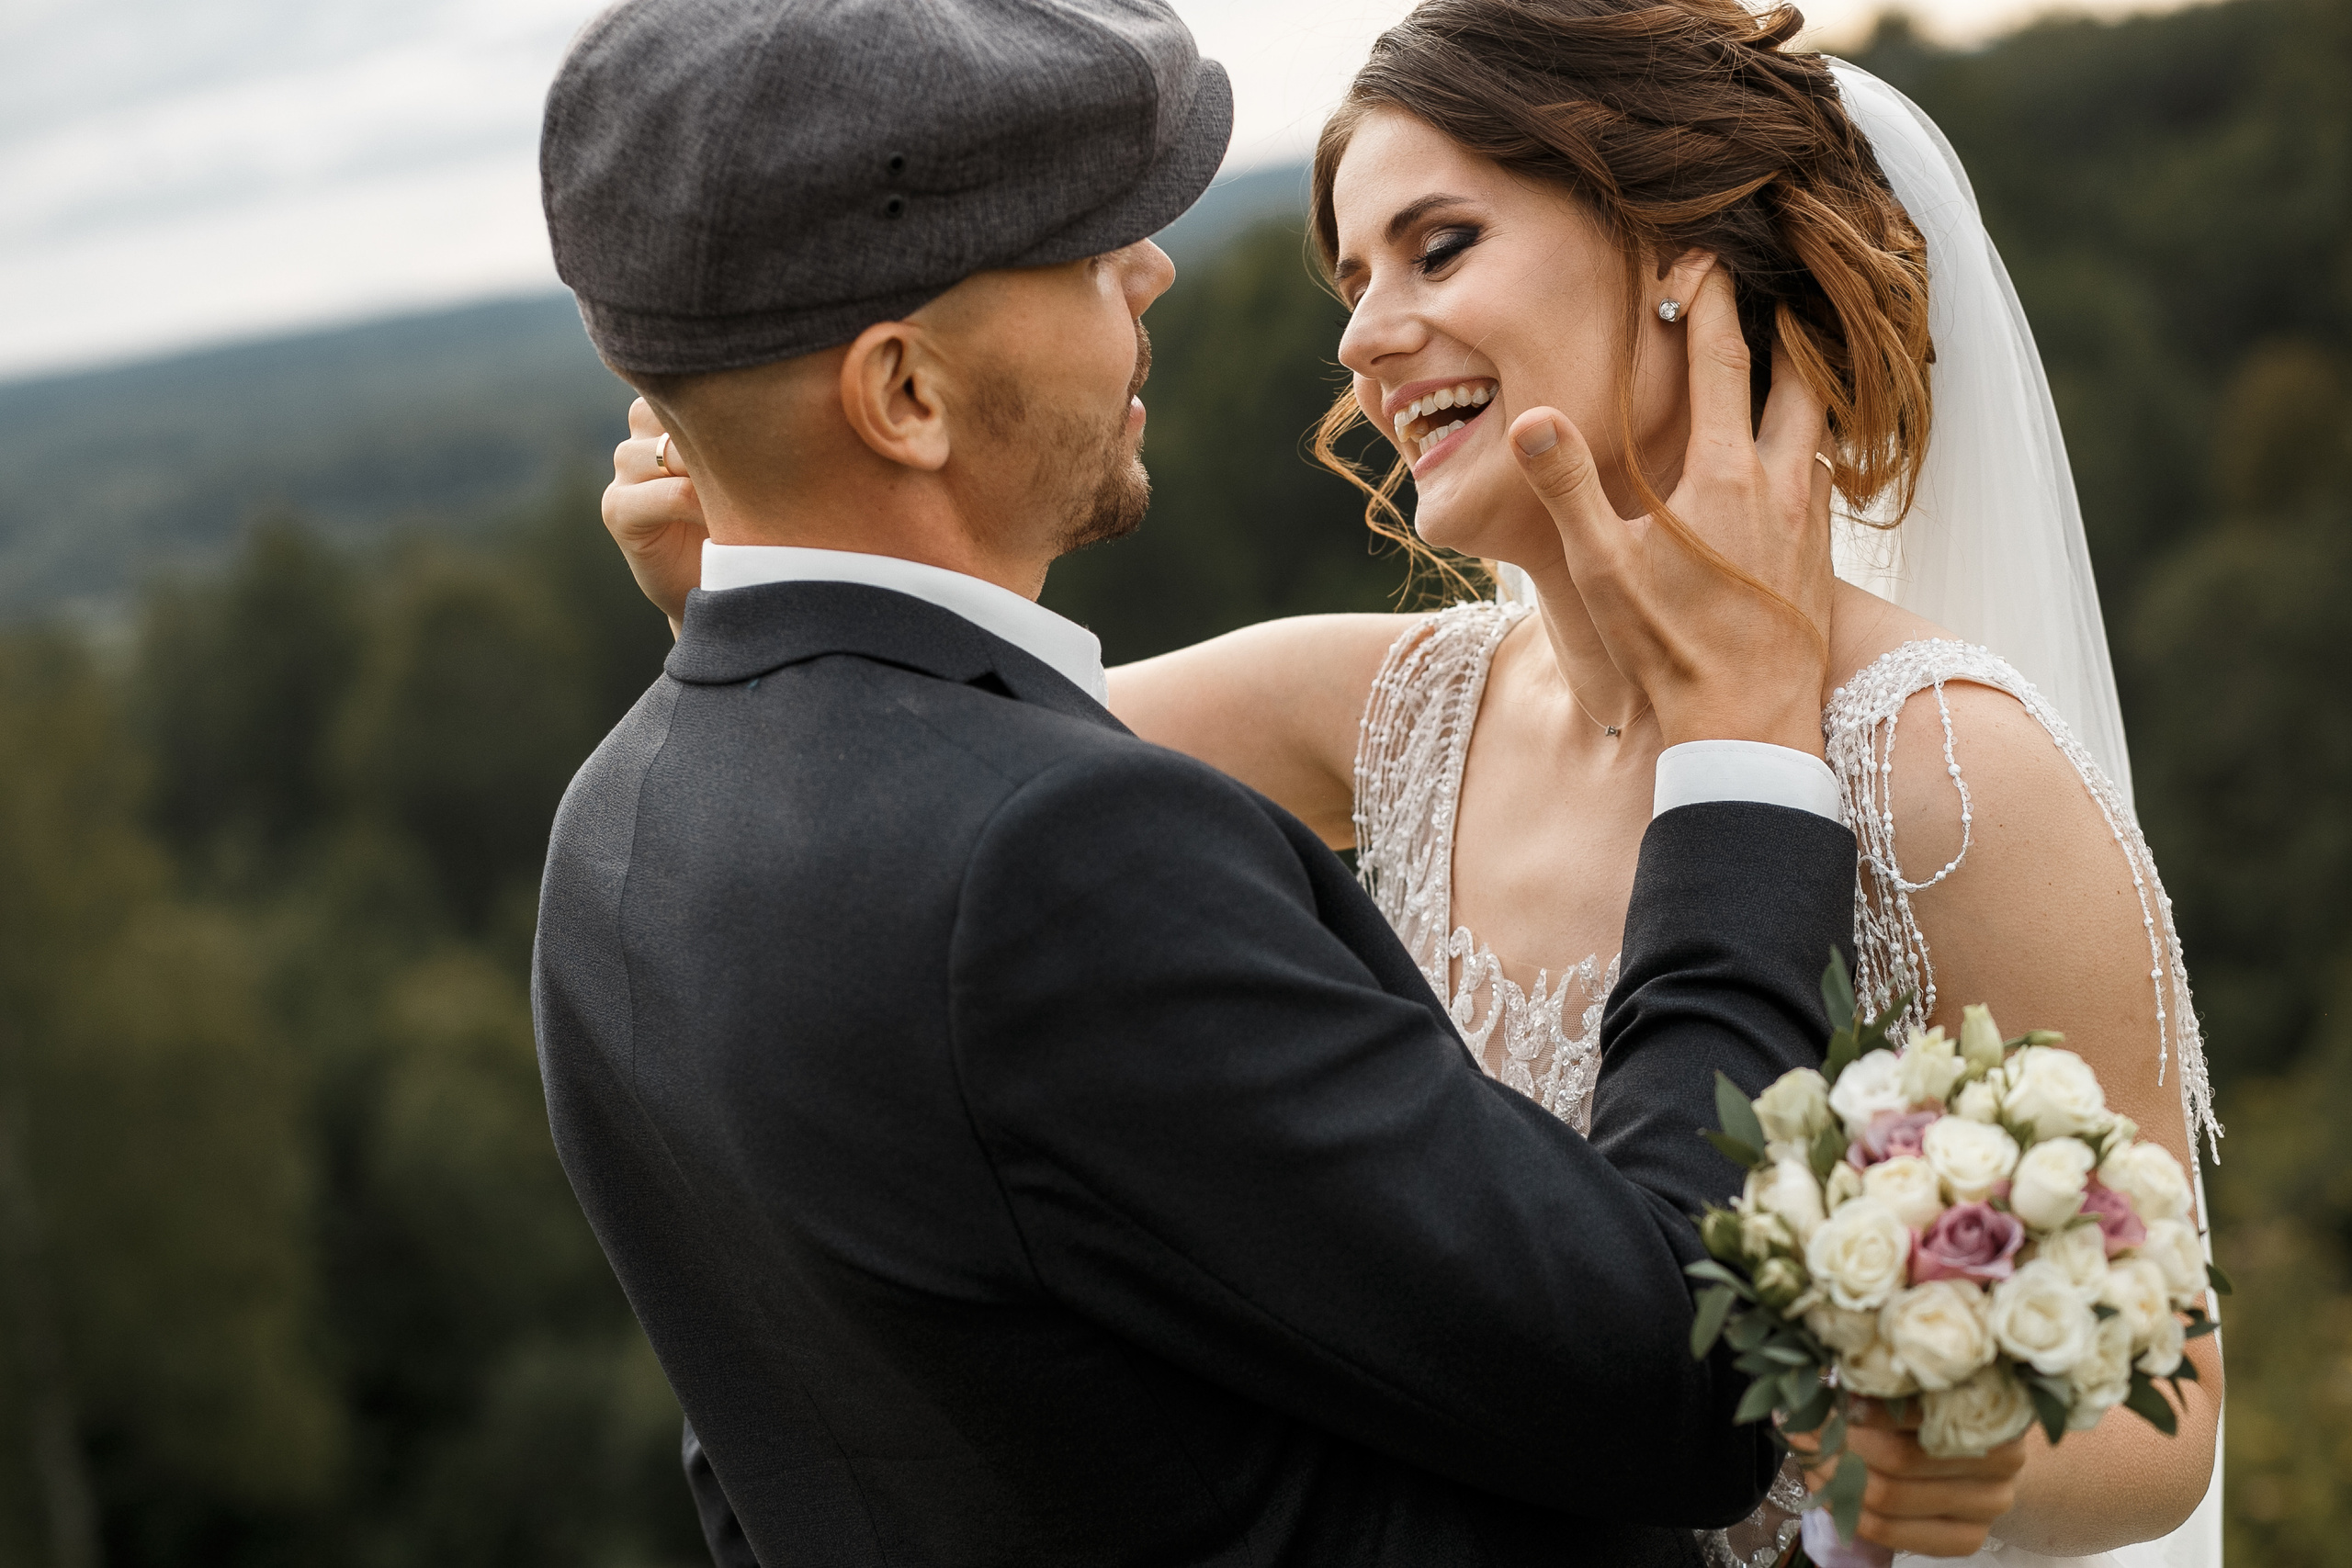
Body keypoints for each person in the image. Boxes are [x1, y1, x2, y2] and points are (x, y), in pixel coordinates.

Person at [599, 3, 2224, 1564]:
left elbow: (2174, 1412)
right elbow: (905, 800)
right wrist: (749, 560)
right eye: (1351, 277)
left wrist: (1971, 1448)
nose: (1364, 336)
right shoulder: (1376, 704)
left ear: (1681, 260)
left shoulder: (1947, 771)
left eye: (1437, 250)